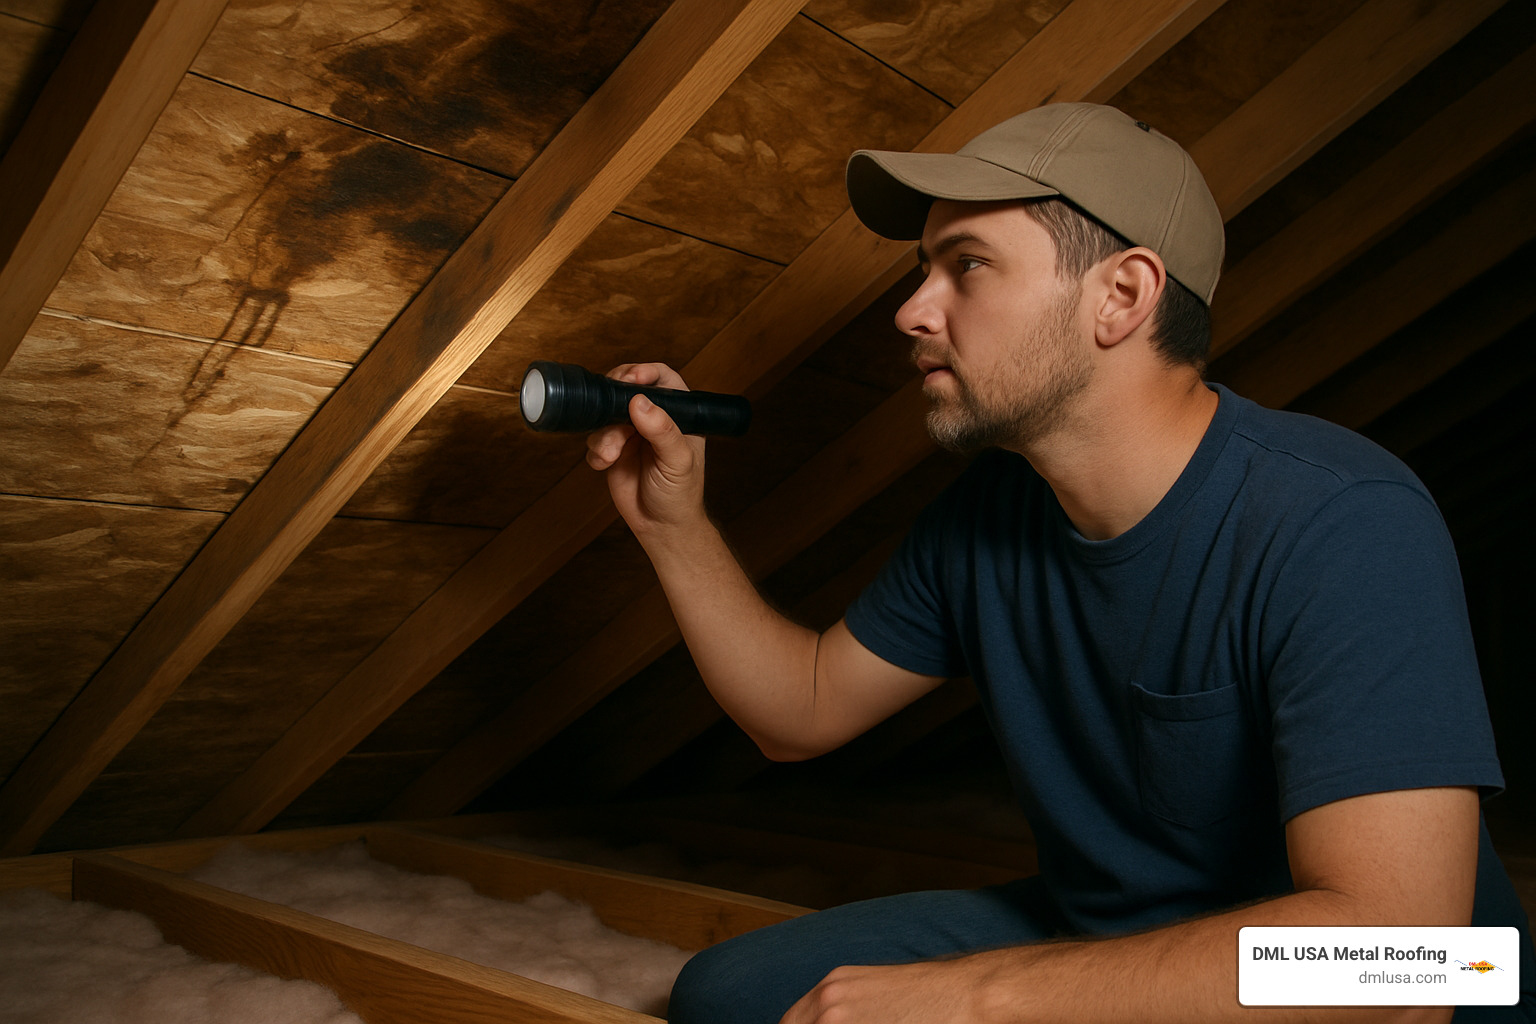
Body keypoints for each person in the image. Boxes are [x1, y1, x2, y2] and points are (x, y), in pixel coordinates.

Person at [584, 102, 1535, 1023]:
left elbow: (1401, 963)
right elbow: (800, 711)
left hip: (1379, 989)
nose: (912, 310)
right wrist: (673, 525)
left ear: (1121, 296)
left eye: (967, 267)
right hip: (1115, 933)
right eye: (923, 270)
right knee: (731, 997)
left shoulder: (1342, 518)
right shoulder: (987, 517)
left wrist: (980, 997)